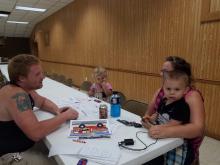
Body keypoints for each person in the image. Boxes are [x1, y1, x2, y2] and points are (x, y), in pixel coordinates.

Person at [0, 54, 79, 163]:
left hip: (26, 145)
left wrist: (57, 110)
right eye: (37, 74)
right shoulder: (16, 95)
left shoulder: (24, 88)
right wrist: (65, 116)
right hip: (11, 155)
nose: (43, 77)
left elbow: (42, 102)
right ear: (21, 78)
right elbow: (35, 133)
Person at [142, 56, 205, 165]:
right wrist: (148, 119)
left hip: (181, 146)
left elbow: (198, 129)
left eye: (165, 71)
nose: (161, 74)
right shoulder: (162, 92)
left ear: (179, 75)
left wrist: (165, 131)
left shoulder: (192, 95)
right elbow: (150, 113)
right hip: (160, 139)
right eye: (162, 71)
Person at [143, 70, 191, 164]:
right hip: (161, 135)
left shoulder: (182, 106)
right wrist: (151, 118)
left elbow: (173, 125)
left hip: (175, 141)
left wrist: (152, 127)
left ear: (185, 90)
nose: (172, 92)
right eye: (168, 89)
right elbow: (158, 113)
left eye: (177, 89)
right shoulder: (164, 100)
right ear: (163, 89)